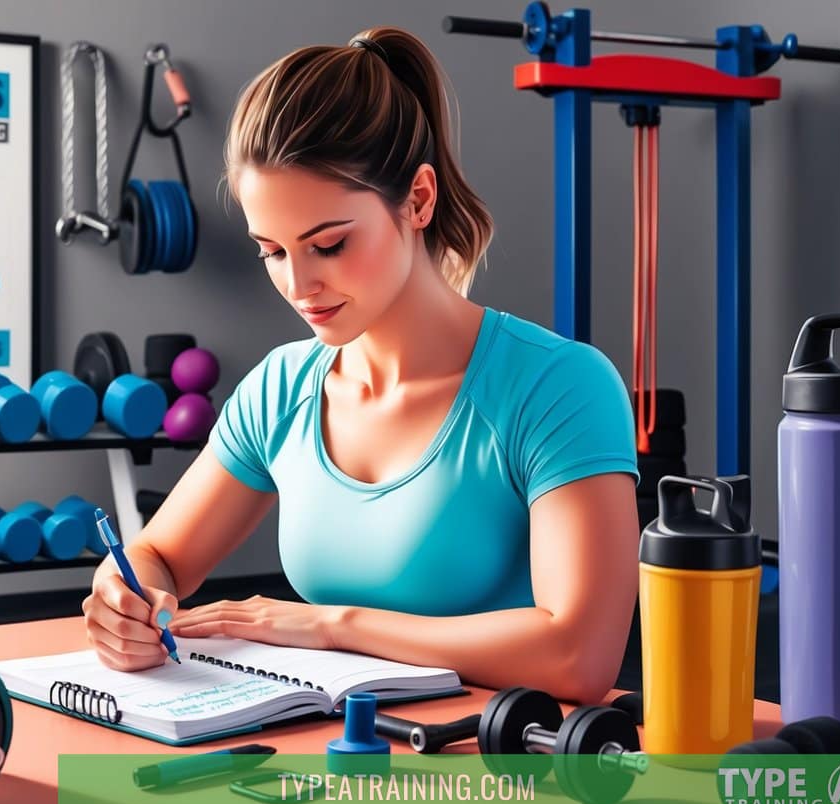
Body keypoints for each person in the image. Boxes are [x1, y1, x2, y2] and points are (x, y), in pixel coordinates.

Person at [82, 27, 640, 704]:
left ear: (418, 200)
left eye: (330, 244)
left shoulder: (558, 388)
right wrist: (124, 595)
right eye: (273, 251)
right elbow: (160, 557)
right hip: (327, 757)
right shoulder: (281, 389)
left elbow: (577, 656)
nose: (298, 284)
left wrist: (330, 625)